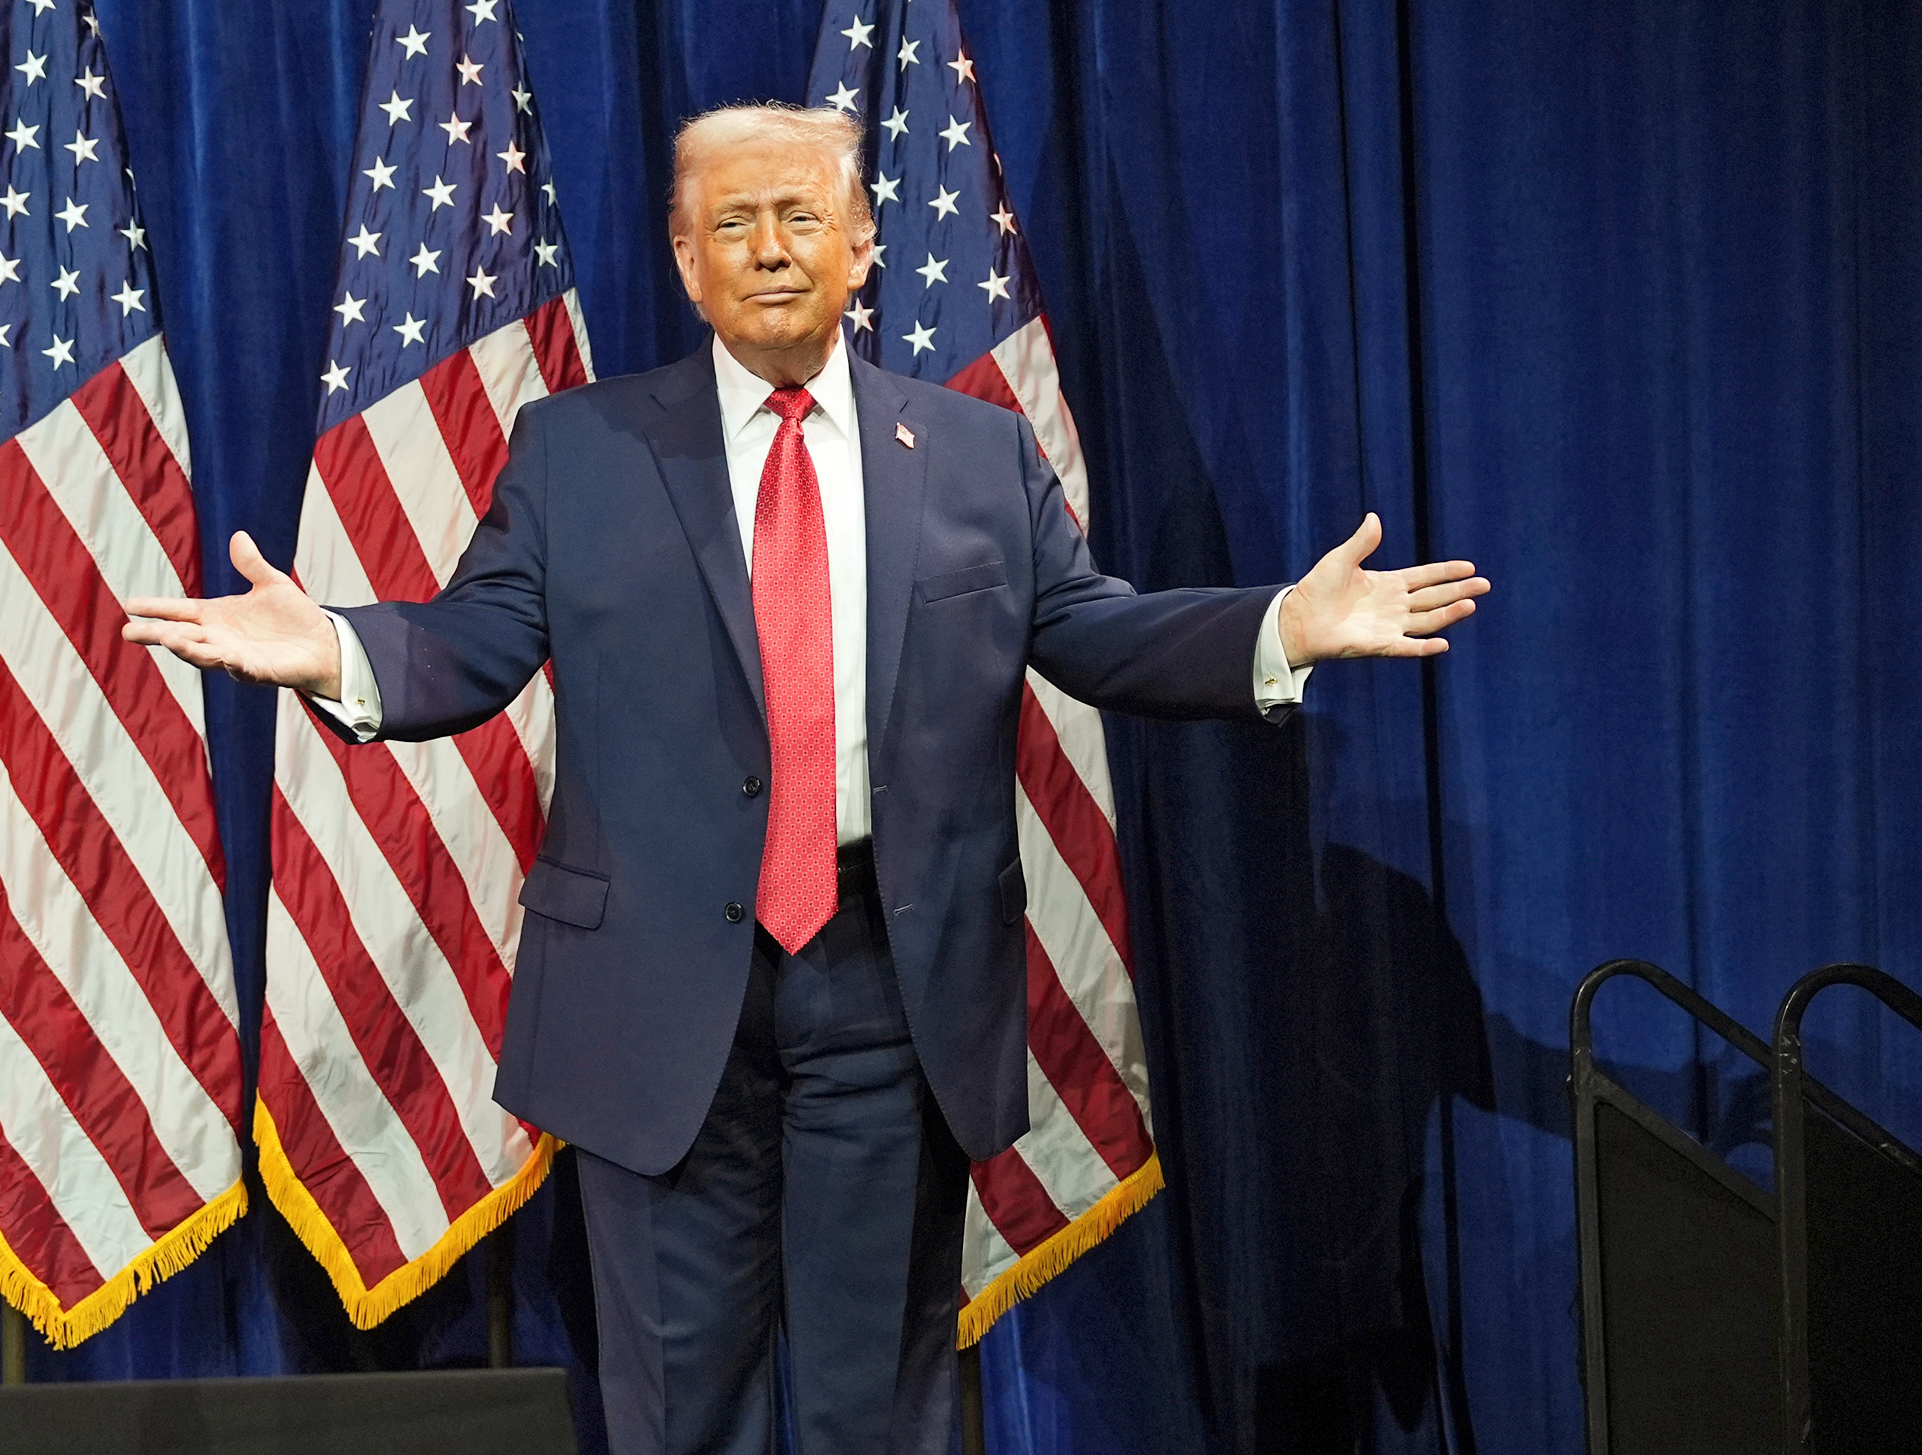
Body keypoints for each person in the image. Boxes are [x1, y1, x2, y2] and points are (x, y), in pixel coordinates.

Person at [124, 104, 1487, 1455]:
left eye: (800, 217)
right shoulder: (580, 449)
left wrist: (1276, 628)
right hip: (654, 993)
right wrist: (339, 647)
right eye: (734, 221)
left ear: (862, 245)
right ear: (684, 257)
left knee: (873, 1409)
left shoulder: (972, 451)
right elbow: (475, 646)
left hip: (890, 984)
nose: (770, 248)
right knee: (679, 1411)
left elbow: (1088, 630)